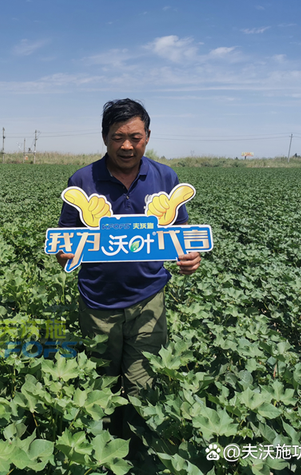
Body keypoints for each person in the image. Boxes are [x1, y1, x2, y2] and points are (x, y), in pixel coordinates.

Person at [56, 98, 200, 448]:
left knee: (143, 387)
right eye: (118, 137)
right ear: (104, 137)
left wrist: (189, 259)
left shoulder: (165, 177)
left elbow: (180, 237)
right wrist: (65, 255)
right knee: (99, 387)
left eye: (135, 137)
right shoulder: (83, 180)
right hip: (98, 302)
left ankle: (137, 455)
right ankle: (99, 454)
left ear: (147, 137)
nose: (126, 145)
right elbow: (64, 241)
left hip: (148, 300)